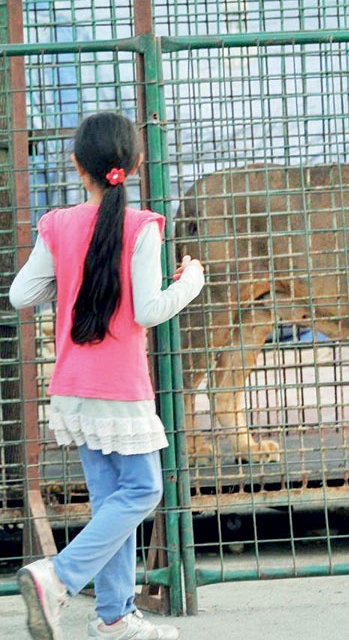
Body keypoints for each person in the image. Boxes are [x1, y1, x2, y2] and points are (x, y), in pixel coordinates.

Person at [9, 112, 205, 640]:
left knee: (110, 500)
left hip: (72, 387)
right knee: (143, 491)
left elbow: (21, 295)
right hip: (119, 388)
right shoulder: (141, 227)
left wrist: (67, 286)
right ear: (137, 164)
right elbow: (146, 309)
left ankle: (114, 616)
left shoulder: (56, 224)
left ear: (77, 167)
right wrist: (191, 282)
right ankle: (59, 577)